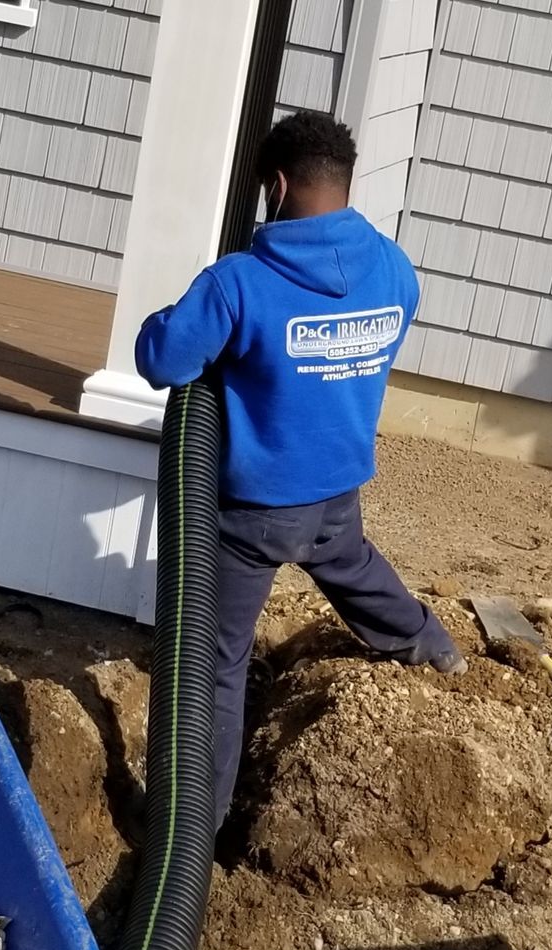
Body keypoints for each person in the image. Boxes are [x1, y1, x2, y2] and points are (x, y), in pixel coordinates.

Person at [134, 111, 466, 827]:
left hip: (253, 512)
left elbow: (164, 358)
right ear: (343, 185)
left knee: (215, 661)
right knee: (352, 566)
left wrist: (168, 324)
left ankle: (201, 824)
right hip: (336, 491)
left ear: (276, 186)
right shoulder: (392, 266)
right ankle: (430, 646)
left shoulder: (239, 284)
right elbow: (392, 322)